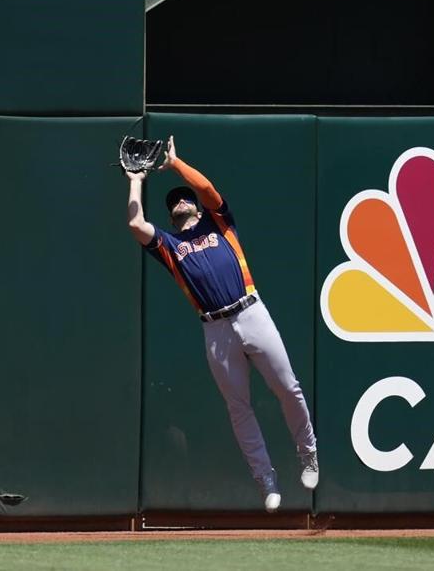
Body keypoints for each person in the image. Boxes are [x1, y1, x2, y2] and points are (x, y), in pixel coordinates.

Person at [125, 136, 318, 513]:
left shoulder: (220, 223)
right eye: (173, 202)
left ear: (196, 208)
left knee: (288, 387)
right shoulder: (169, 245)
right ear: (170, 216)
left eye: (184, 198)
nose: (179, 201)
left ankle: (308, 453)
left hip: (251, 311)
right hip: (214, 329)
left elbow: (208, 189)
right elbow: (134, 223)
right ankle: (266, 479)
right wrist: (135, 178)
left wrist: (176, 165)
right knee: (238, 406)